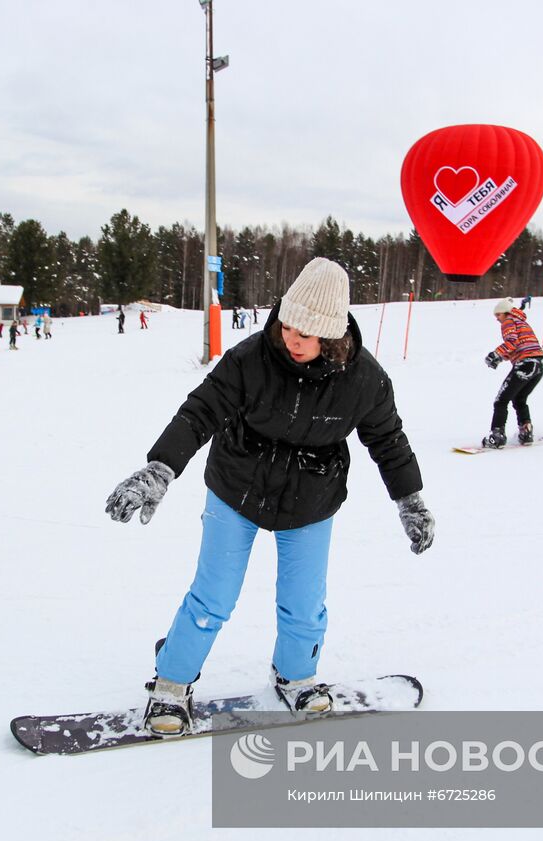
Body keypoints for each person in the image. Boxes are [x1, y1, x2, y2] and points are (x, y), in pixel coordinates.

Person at [104, 257, 434, 737]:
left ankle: (295, 675)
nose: (291, 338)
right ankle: (172, 683)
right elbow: (199, 413)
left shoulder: (365, 381)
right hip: (236, 488)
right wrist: (161, 468)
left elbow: (389, 441)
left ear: (332, 334)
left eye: (305, 331)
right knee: (212, 597)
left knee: (303, 602)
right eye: (287, 325)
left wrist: (410, 500)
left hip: (312, 498)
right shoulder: (250, 359)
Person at [482, 297, 543, 448]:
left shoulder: (508, 321)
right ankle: (526, 432)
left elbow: (512, 342)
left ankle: (497, 436)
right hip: (539, 365)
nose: (497, 319)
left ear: (505, 313)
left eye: (498, 315)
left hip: (525, 364)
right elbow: (519, 345)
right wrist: (501, 357)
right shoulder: (521, 321)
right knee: (519, 399)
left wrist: (495, 354)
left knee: (501, 400)